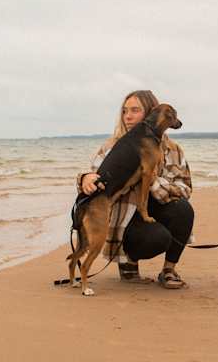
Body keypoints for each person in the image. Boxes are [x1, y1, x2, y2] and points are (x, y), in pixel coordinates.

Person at [76, 89, 193, 289]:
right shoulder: (113, 146)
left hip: (156, 208)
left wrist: (152, 180)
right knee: (157, 238)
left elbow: (185, 189)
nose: (127, 116)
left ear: (150, 113)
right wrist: (84, 178)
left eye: (135, 110)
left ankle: (168, 270)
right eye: (124, 111)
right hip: (125, 218)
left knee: (183, 210)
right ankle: (129, 264)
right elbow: (95, 175)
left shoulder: (173, 150)